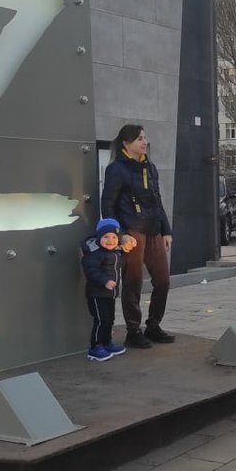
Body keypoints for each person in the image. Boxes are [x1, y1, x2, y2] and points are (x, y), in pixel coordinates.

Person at [101, 124, 174, 348]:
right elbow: (108, 204)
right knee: (133, 283)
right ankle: (133, 330)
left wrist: (166, 230)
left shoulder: (149, 167)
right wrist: (119, 234)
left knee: (163, 281)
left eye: (145, 138)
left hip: (153, 231)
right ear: (126, 143)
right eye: (139, 139)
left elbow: (157, 200)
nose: (144, 142)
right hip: (131, 232)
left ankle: (153, 326)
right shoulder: (116, 169)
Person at [80, 219, 137, 361]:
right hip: (97, 293)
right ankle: (95, 347)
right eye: (106, 237)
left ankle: (107, 343)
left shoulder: (116, 253)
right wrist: (104, 281)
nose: (110, 240)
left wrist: (128, 245)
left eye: (114, 237)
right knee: (100, 320)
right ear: (99, 238)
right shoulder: (94, 254)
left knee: (109, 320)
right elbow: (91, 271)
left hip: (110, 294)